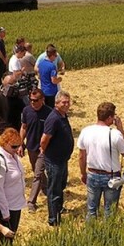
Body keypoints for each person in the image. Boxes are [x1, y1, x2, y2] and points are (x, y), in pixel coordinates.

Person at [77, 102, 124, 220]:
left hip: (92, 174)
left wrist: (83, 173)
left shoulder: (86, 131)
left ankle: (91, 235)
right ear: (109, 118)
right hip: (111, 176)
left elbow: (81, 156)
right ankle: (109, 236)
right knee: (110, 212)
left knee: (91, 211)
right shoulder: (115, 134)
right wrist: (121, 128)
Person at [39, 90, 73, 227]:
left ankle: (59, 209)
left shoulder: (63, 115)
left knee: (61, 185)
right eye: (63, 102)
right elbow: (44, 140)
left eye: (68, 102)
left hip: (62, 159)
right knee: (54, 189)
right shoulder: (53, 118)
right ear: (56, 103)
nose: (66, 104)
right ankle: (54, 219)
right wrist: (45, 151)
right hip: (54, 160)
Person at [21, 88, 52, 212]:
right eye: (31, 100)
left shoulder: (49, 113)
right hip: (31, 147)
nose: (33, 102)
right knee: (36, 170)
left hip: (43, 149)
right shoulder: (26, 110)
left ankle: (31, 202)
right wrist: (20, 143)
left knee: (37, 174)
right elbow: (24, 127)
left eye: (35, 100)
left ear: (42, 100)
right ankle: (46, 188)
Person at [0, 128, 26, 239]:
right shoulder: (0, 161)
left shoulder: (13, 155)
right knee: (7, 239)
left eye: (18, 145)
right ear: (4, 143)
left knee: (11, 236)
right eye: (14, 146)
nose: (17, 149)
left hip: (16, 203)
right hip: (8, 206)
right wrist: (5, 212)